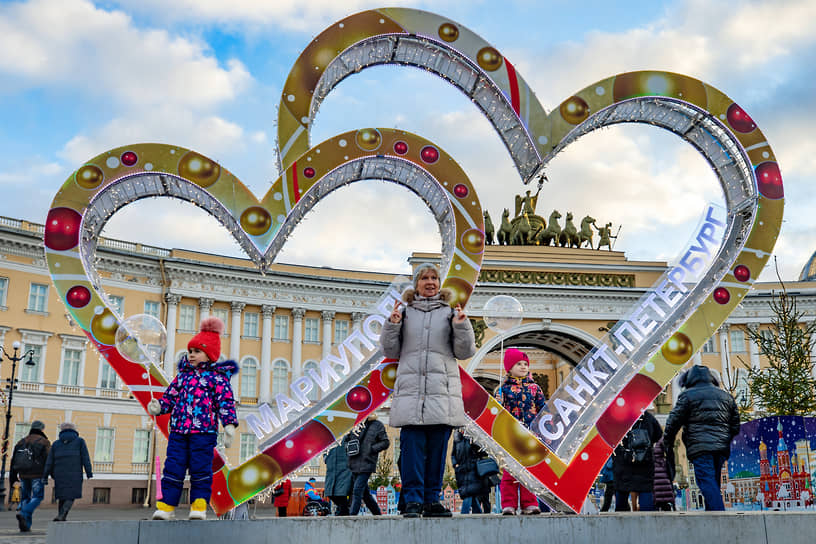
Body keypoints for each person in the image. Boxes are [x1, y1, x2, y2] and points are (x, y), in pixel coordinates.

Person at [380, 262, 477, 518]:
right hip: (412, 395)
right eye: (425, 278)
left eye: (434, 278)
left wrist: (461, 325)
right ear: (417, 284)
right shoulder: (405, 312)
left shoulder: (449, 312)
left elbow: (465, 351)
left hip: (441, 395)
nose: (430, 282)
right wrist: (392, 324)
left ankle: (432, 501)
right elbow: (390, 351)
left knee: (436, 455)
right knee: (411, 455)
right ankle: (412, 501)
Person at [147, 316, 238, 520]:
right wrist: (159, 406)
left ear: (209, 354)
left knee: (201, 470)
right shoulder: (183, 377)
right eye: (190, 351)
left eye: (197, 351)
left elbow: (225, 403)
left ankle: (198, 506)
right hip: (179, 431)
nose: (191, 355)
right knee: (173, 468)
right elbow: (170, 397)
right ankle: (167, 507)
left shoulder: (218, 379)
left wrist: (229, 425)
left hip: (203, 433)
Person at [663, 365, 740, 511]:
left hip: (700, 447)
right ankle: (712, 517)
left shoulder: (687, 396)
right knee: (713, 483)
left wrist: (668, 442)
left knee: (706, 482)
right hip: (721, 448)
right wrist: (725, 439)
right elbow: (735, 424)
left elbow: (673, 421)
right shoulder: (725, 396)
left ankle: (720, 519)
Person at [494, 348, 546, 515]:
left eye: (525, 364)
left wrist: (544, 429)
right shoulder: (502, 389)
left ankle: (529, 503)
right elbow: (497, 413)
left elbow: (542, 409)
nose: (523, 367)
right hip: (510, 436)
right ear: (509, 367)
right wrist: (498, 402)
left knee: (528, 470)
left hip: (530, 435)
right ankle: (508, 504)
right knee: (509, 471)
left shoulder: (535, 388)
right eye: (518, 364)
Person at [612, 410, 662, 511]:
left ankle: (620, 524)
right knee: (646, 491)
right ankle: (647, 523)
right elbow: (659, 435)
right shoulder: (648, 417)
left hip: (623, 463)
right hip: (644, 463)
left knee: (621, 492)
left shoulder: (618, 417)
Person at [42, 422, 93, 521]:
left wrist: (45, 475)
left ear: (61, 430)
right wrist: (89, 472)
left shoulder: (56, 444)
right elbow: (85, 457)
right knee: (71, 495)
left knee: (62, 495)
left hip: (59, 474)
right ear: (74, 430)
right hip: (75, 473)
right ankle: (62, 515)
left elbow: (49, 461)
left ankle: (61, 516)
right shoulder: (80, 441)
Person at [344, 413, 390, 516]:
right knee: (365, 494)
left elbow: (385, 442)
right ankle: (377, 515)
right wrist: (348, 447)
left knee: (357, 490)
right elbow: (346, 440)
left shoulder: (377, 425)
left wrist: (371, 449)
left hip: (367, 462)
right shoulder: (355, 424)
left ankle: (352, 515)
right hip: (353, 462)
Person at [11, 420, 50, 532]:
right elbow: (48, 460)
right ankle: (23, 513)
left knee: (25, 497)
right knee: (38, 496)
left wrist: (13, 477)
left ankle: (26, 526)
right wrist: (48, 474)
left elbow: (14, 460)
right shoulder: (44, 442)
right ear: (42, 429)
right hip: (37, 474)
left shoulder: (21, 441)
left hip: (23, 474)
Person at [451, 429, 491, 514]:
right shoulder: (457, 439)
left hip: (474, 470)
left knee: (468, 493)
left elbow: (483, 452)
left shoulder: (474, 437)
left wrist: (474, 444)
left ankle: (464, 514)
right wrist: (455, 465)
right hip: (462, 471)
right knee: (470, 494)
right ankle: (478, 513)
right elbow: (453, 454)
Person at [323, 444, 352, 515]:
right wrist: (326, 457)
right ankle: (342, 510)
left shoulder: (347, 434)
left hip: (344, 468)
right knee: (330, 493)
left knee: (342, 493)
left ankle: (343, 511)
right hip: (331, 467)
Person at [652, 438, 675, 511]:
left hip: (654, 474)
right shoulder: (662, 441)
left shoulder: (646, 440)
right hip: (663, 472)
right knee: (665, 501)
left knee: (656, 501)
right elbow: (670, 455)